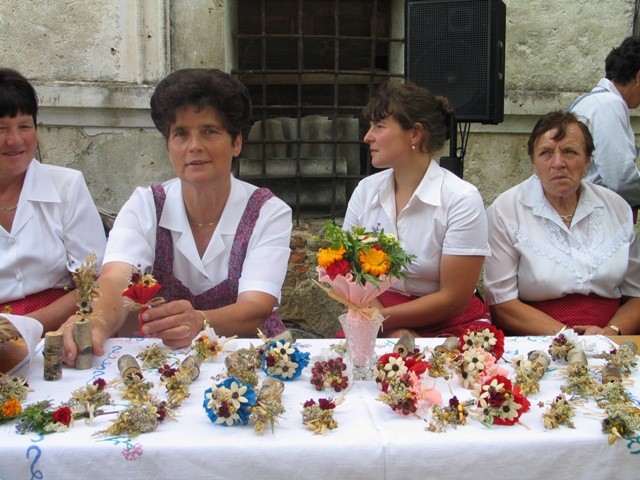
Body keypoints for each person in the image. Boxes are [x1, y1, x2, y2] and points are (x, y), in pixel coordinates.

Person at [61, 68, 292, 364]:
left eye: (210, 131)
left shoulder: (268, 212)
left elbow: (257, 306)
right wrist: (99, 321)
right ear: (169, 146)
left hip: (247, 359)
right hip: (163, 361)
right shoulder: (145, 204)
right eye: (181, 133)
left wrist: (200, 321)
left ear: (236, 142)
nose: (194, 146)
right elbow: (116, 277)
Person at [343, 80, 491, 338]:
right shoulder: (366, 191)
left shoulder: (461, 199)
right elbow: (347, 271)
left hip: (448, 323)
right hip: (377, 313)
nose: (368, 137)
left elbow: (454, 299)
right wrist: (385, 324)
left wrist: (381, 321)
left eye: (379, 126)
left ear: (414, 134)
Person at [484, 111, 640, 336]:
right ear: (533, 161)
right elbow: (502, 305)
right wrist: (568, 336)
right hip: (538, 342)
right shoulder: (506, 211)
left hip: (610, 340)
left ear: (587, 160)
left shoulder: (616, 208)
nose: (558, 163)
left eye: (570, 152)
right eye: (546, 153)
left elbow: (636, 295)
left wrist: (611, 332)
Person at [0, 68, 106, 332]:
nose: (14, 140)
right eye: (1, 128)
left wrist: (27, 327)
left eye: (25, 126)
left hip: (62, 325)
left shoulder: (66, 187)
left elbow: (94, 281)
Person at [568, 36, 640, 216]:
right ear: (638, 77)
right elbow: (621, 178)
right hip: (593, 215)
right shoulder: (608, 105)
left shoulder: (593, 101)